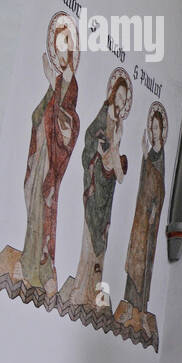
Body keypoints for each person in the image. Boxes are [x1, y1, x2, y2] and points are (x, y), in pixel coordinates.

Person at [15, 13, 81, 294]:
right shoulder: (55, 82)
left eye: (66, 46)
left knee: (46, 206)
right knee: (32, 201)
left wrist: (53, 85)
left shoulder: (69, 83)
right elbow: (38, 116)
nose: (62, 52)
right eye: (58, 46)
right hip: (40, 154)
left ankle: (44, 267)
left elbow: (68, 123)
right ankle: (27, 260)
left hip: (52, 162)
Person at [63, 68, 132, 308]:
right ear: (113, 94)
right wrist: (104, 150)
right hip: (95, 186)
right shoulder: (103, 117)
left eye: (125, 99)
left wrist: (115, 153)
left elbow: (117, 162)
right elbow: (91, 140)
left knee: (102, 241)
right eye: (119, 96)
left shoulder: (119, 126)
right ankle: (79, 290)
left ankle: (94, 294)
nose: (121, 102)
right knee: (89, 241)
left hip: (108, 188)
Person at [119, 101, 167, 322]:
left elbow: (159, 187)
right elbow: (145, 180)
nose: (154, 132)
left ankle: (139, 307)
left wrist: (155, 210)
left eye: (157, 128)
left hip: (149, 217)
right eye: (153, 128)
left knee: (143, 257)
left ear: (162, 131)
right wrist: (144, 153)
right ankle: (130, 304)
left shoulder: (161, 155)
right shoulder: (151, 153)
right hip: (141, 212)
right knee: (134, 253)